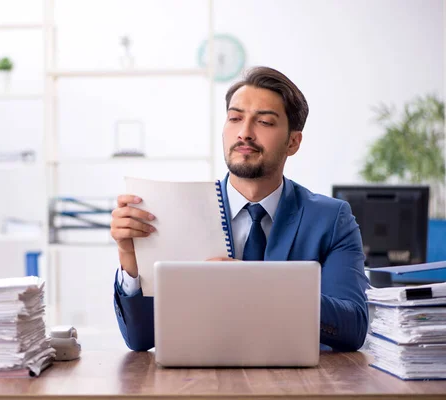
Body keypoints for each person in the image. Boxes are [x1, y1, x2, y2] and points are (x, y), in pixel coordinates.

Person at [110, 66, 369, 352]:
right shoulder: (173, 210)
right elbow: (141, 339)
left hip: (295, 388)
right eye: (235, 118)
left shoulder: (331, 220)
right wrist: (129, 259)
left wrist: (254, 285)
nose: (244, 133)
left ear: (293, 142)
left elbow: (351, 328)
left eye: (265, 122)